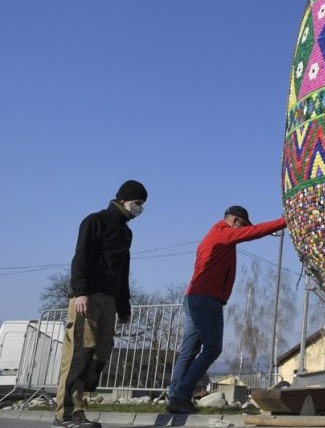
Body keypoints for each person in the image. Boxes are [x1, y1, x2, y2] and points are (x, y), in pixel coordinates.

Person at [166, 206, 286, 414]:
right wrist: (284, 221)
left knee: (189, 350)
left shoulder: (213, 235)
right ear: (237, 222)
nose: (242, 231)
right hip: (206, 300)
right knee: (212, 348)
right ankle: (182, 393)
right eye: (242, 226)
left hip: (193, 297)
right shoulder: (223, 233)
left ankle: (175, 396)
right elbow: (254, 232)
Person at [54, 180, 148, 428]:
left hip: (110, 301)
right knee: (80, 353)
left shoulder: (126, 232)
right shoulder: (94, 221)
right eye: (138, 203)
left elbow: (123, 270)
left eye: (143, 205)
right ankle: (65, 414)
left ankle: (79, 410)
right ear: (124, 199)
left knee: (100, 354)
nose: (140, 209)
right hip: (88, 297)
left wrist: (124, 306)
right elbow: (81, 257)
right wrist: (80, 291)